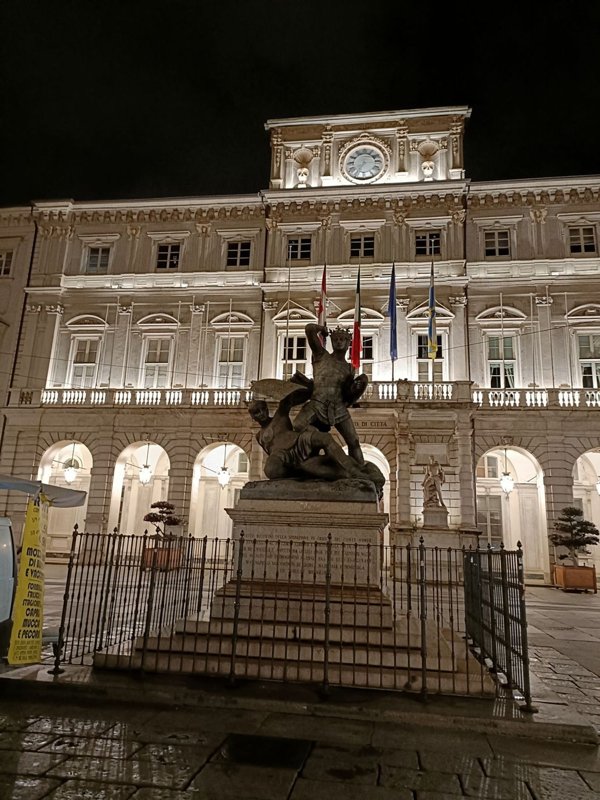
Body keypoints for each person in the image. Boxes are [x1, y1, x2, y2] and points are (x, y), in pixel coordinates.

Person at [248, 388, 382, 489]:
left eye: (261, 409)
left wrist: (308, 388)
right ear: (252, 417)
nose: (260, 414)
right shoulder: (259, 436)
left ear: (266, 409)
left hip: (299, 441)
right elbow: (270, 453)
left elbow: (289, 399)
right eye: (256, 412)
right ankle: (345, 474)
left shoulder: (279, 416)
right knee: (273, 470)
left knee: (324, 438)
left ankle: (355, 471)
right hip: (285, 458)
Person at [290, 323, 368, 464]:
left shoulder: (350, 368)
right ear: (332, 342)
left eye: (342, 339)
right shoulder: (321, 355)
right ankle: (297, 460)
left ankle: (361, 472)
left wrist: (357, 388)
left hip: (338, 408)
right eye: (336, 339)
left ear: (348, 343)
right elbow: (309, 329)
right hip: (316, 404)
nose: (339, 342)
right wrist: (322, 329)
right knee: (297, 426)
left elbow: (348, 396)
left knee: (354, 441)